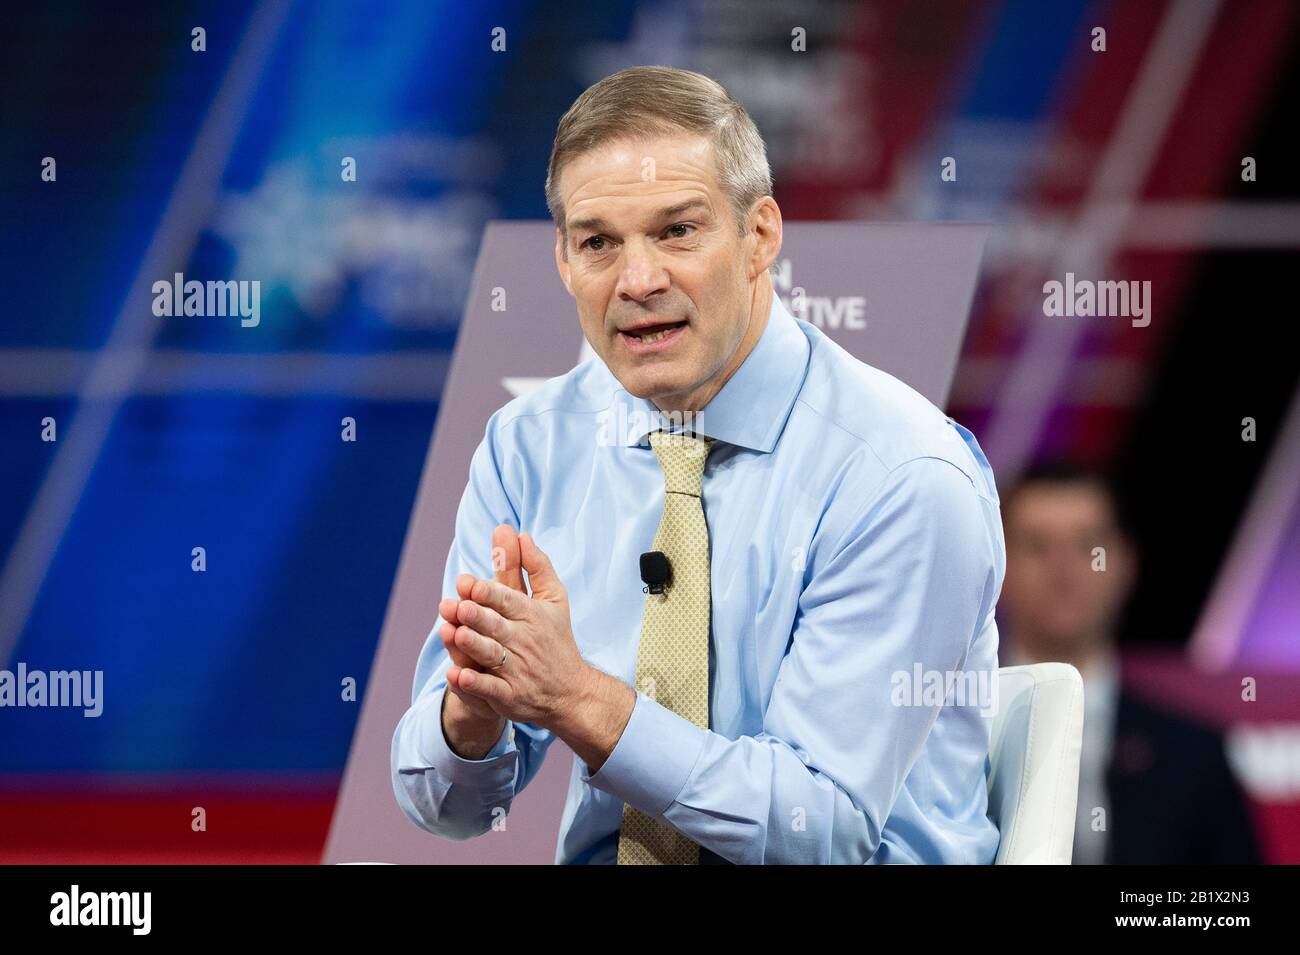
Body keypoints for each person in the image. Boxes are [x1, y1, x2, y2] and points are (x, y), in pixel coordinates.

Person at [391, 65, 1005, 864]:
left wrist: (577, 697)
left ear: (761, 237)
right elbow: (445, 810)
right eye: (599, 242)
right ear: (564, 264)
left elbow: (819, 831)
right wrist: (468, 722)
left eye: (677, 230)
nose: (638, 280)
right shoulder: (530, 446)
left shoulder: (901, 475)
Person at [999, 460, 1262, 864]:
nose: (1063, 570)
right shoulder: (946, 740)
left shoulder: (1194, 755)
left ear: (1126, 563)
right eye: (1036, 546)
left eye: (1089, 546)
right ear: (997, 566)